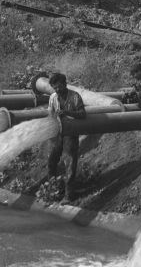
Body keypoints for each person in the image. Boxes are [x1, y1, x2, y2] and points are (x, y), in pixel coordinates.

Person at [47, 73, 86, 203]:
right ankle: (53, 189)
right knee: (52, 160)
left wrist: (67, 112)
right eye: (54, 88)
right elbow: (50, 114)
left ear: (65, 84)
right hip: (58, 133)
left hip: (71, 133)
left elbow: (82, 114)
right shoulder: (53, 97)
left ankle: (69, 195)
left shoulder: (75, 97)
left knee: (69, 162)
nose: (57, 90)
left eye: (59, 87)